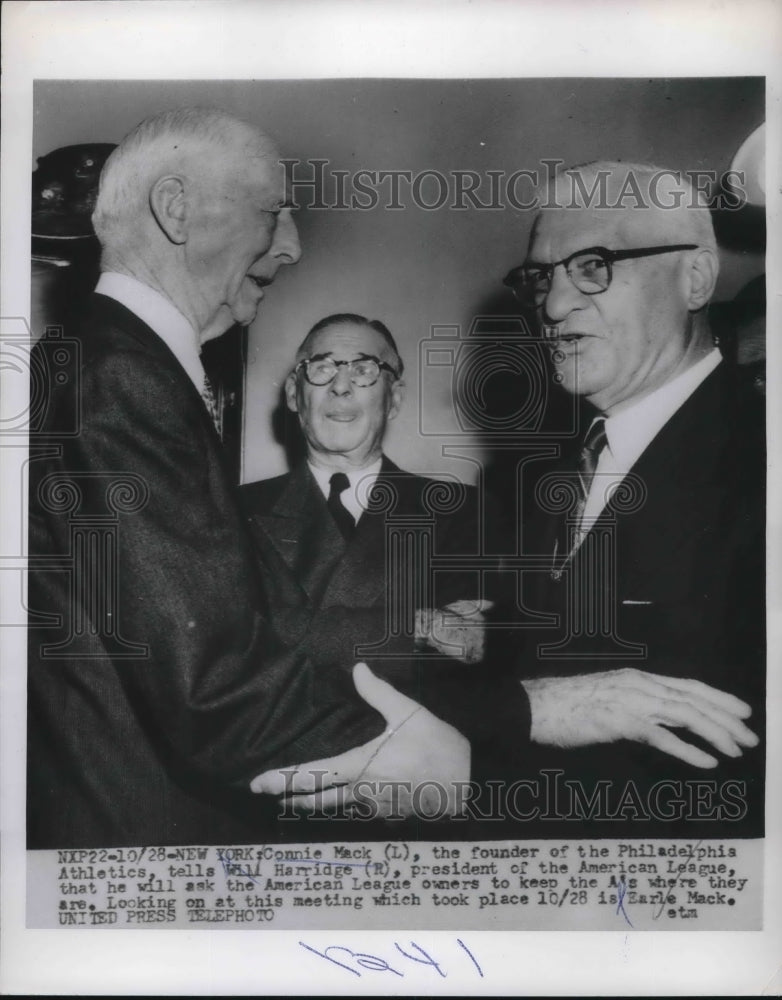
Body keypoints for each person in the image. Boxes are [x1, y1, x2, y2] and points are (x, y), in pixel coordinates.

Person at [26, 109, 492, 848]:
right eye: (274, 211)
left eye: (364, 371)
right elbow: (210, 684)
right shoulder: (123, 376)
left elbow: (246, 627)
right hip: (139, 834)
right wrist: (455, 763)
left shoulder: (113, 363)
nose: (293, 244)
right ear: (176, 210)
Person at [246, 305, 760, 833]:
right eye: (322, 367)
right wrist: (419, 626)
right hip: (269, 804)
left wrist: (305, 631)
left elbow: (496, 656)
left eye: (364, 370)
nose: (341, 387)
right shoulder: (231, 515)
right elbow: (234, 649)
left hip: (427, 815)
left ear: (394, 396)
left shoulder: (476, 512)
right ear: (293, 392)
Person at [498, 161, 764, 835]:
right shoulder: (539, 480)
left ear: (696, 278)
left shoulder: (762, 455)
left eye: (593, 265)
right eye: (540, 277)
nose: (553, 307)